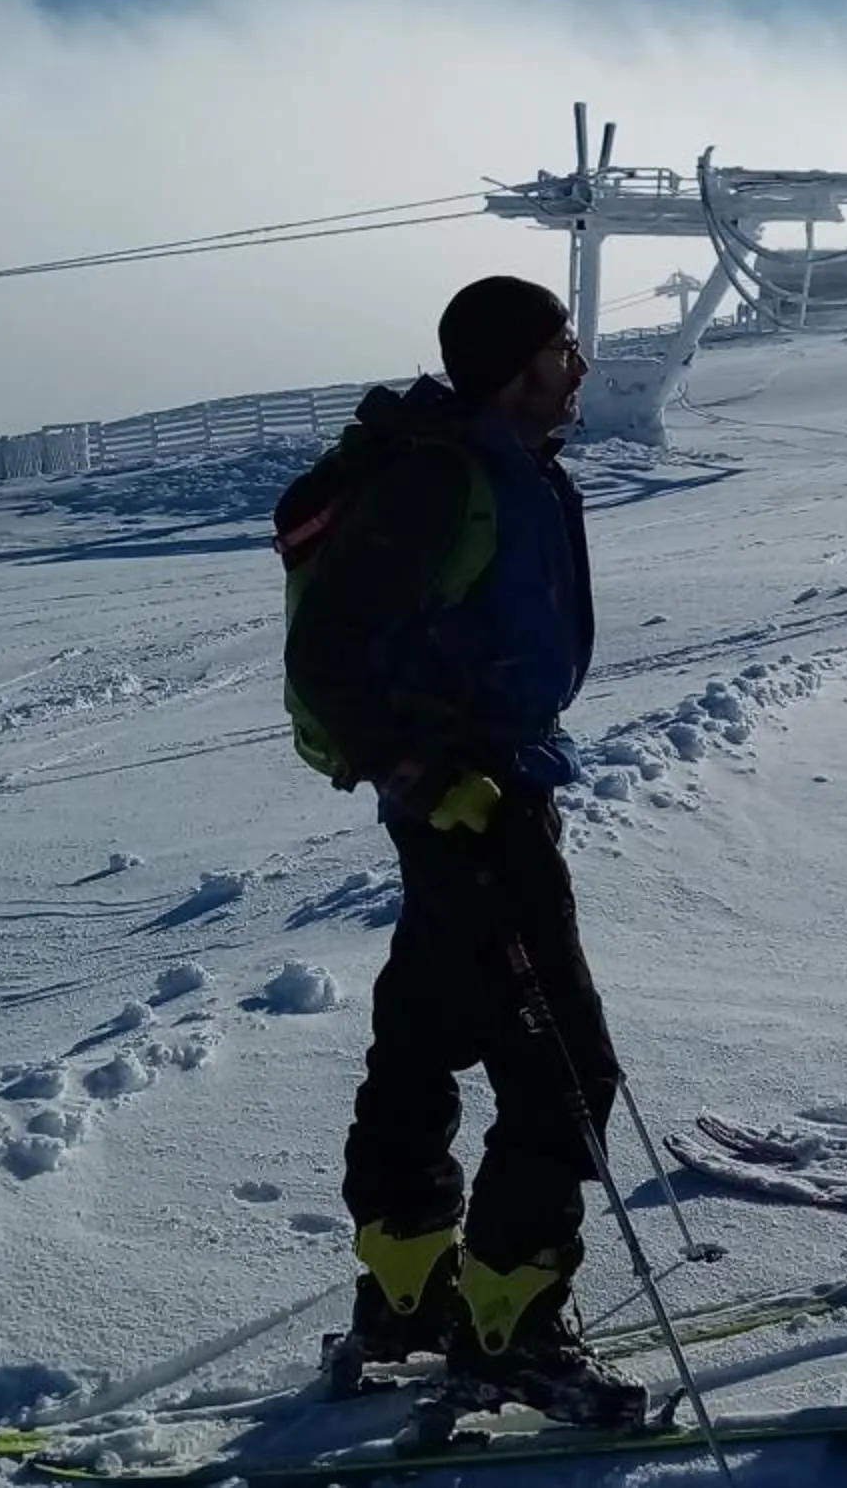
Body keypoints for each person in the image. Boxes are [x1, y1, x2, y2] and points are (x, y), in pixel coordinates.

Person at [283, 274, 638, 1420]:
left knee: (423, 1034)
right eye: (559, 347)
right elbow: (328, 656)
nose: (577, 365)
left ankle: (406, 1289)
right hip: (468, 806)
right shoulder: (443, 481)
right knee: (566, 1071)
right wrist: (423, 776)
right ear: (510, 364)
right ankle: (507, 1325)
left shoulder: (499, 465)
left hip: (489, 789)